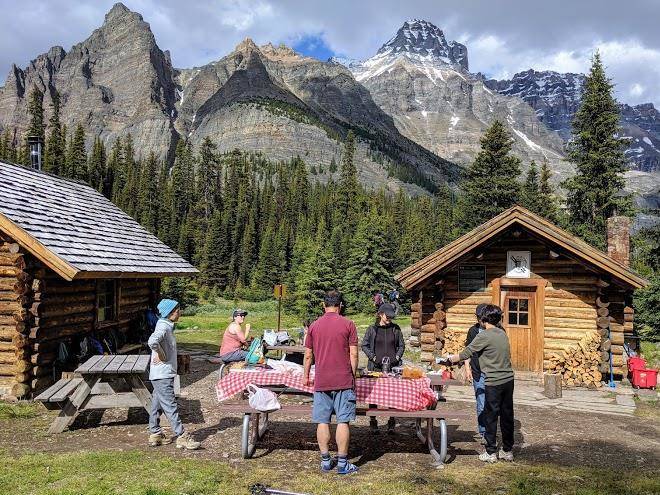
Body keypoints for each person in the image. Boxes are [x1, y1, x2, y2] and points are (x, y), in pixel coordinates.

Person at [445, 304, 514, 463]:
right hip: (508, 380)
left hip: (494, 381)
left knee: (490, 416)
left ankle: (490, 452)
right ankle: (507, 450)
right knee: (507, 416)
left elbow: (465, 354)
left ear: (483, 319)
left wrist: (448, 359)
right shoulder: (502, 334)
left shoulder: (484, 335)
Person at [303, 290, 359, 475]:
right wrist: (353, 375)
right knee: (343, 420)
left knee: (322, 420)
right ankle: (342, 464)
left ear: (323, 305)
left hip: (322, 380)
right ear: (340, 305)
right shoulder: (348, 324)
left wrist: (305, 376)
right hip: (343, 379)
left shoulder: (314, 326)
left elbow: (308, 355)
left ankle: (326, 461)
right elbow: (353, 353)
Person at [148, 298, 201, 450]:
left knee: (156, 405)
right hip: (162, 374)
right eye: (178, 310)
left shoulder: (165, 325)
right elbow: (152, 342)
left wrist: (161, 352)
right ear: (171, 313)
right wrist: (161, 353)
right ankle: (182, 436)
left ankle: (155, 433)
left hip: (159, 374)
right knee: (170, 405)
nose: (180, 312)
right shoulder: (163, 328)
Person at [361, 302, 405, 433]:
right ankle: (373, 421)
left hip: (392, 367)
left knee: (392, 394)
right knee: (374, 395)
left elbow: (401, 346)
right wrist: (373, 357)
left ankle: (392, 420)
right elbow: (364, 345)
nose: (389, 319)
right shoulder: (372, 329)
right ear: (380, 314)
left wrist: (397, 357)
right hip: (375, 367)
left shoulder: (395, 329)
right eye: (387, 316)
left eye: (391, 317)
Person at [464, 303, 488, 441]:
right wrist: (467, 369)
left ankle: (491, 430)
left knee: (492, 404)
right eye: (478, 317)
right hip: (478, 372)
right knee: (481, 403)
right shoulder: (473, 331)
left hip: (492, 374)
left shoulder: (497, 330)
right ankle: (484, 432)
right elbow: (467, 350)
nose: (480, 320)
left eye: (482, 317)